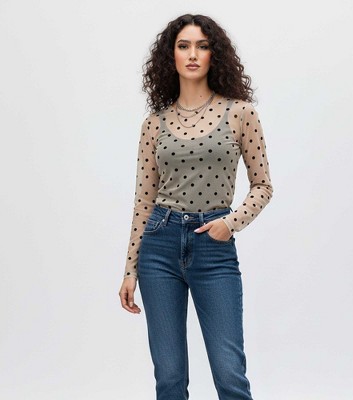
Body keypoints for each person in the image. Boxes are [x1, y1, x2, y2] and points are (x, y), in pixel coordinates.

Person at [118, 13, 273, 400]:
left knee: (229, 373)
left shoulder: (240, 113)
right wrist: (130, 270)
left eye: (202, 46)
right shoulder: (154, 124)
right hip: (159, 245)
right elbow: (143, 201)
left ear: (213, 55)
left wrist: (230, 223)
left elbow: (263, 186)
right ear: (170, 56)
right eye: (183, 46)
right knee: (169, 377)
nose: (192, 54)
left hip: (213, 246)